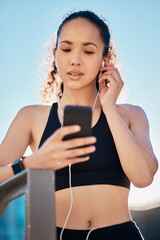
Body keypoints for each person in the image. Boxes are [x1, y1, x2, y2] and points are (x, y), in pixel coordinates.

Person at [0, 10, 158, 240]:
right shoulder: (31, 117)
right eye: (66, 49)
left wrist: (110, 109)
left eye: (88, 50)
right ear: (55, 55)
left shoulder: (130, 114)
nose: (75, 59)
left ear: (105, 59)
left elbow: (144, 178)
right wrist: (31, 163)